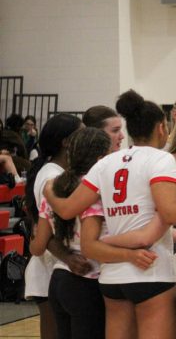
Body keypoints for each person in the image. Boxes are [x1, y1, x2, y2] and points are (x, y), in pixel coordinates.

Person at [44, 90, 176, 339]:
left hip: (112, 277)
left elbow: (67, 209)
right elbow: (170, 213)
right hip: (150, 270)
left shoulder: (106, 163)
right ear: (161, 128)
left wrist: (49, 192)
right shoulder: (160, 159)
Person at [30, 128, 112, 339]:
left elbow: (38, 247)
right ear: (100, 158)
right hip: (89, 278)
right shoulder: (96, 189)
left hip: (59, 279)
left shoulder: (55, 187)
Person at [25, 114, 88, 339]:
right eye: (81, 132)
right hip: (52, 268)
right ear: (66, 141)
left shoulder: (61, 172)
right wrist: (68, 257)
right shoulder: (51, 176)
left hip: (60, 269)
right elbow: (42, 230)